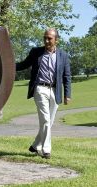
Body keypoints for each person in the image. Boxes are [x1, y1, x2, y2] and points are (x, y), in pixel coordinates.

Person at [16, 28, 71, 159]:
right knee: (45, 120)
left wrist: (67, 94)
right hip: (40, 89)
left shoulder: (63, 55)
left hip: (55, 90)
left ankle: (35, 145)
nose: (46, 40)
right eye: (45, 38)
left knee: (49, 122)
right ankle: (46, 150)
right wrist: (7, 65)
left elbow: (67, 76)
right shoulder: (36, 52)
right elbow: (24, 64)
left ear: (56, 40)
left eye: (49, 38)